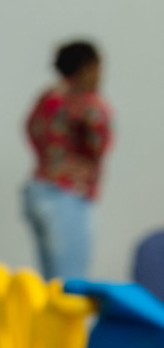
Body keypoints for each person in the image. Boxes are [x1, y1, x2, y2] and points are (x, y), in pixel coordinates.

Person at [22, 40, 112, 280]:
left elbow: (31, 130)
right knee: (72, 284)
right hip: (67, 194)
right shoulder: (86, 103)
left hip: (38, 188)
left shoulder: (47, 98)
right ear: (86, 68)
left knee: (52, 282)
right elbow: (99, 145)